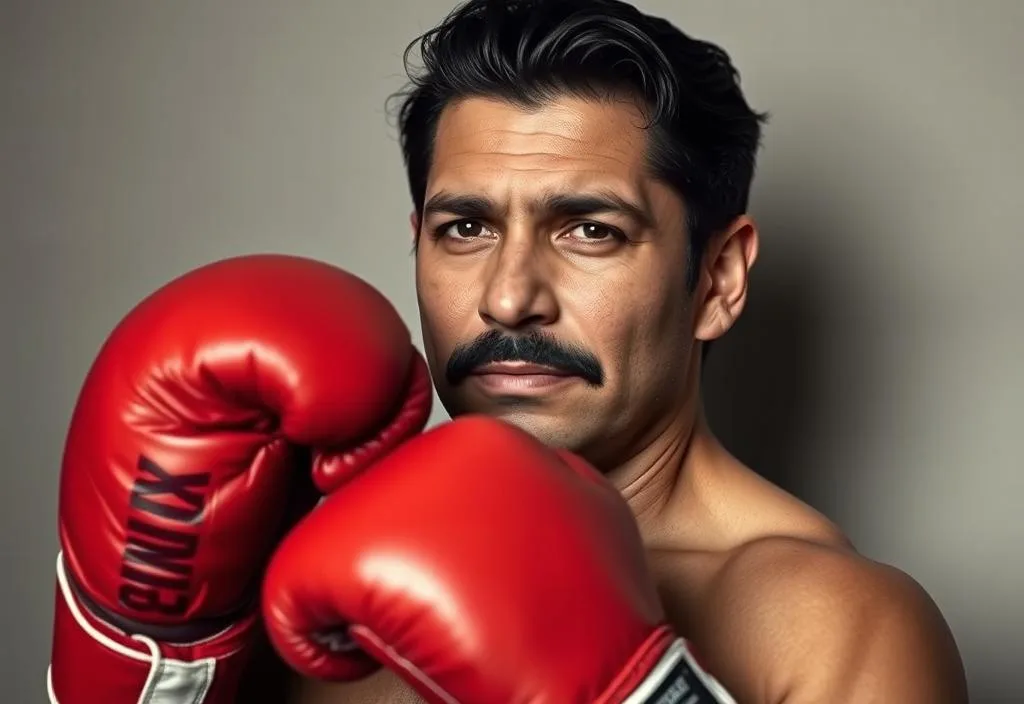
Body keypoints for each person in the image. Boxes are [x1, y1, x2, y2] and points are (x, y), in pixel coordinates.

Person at [47, 1, 968, 703]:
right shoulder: (278, 541)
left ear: (719, 278)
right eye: (466, 227)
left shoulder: (831, 626)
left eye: (589, 230)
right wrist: (144, 648)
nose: (507, 294)